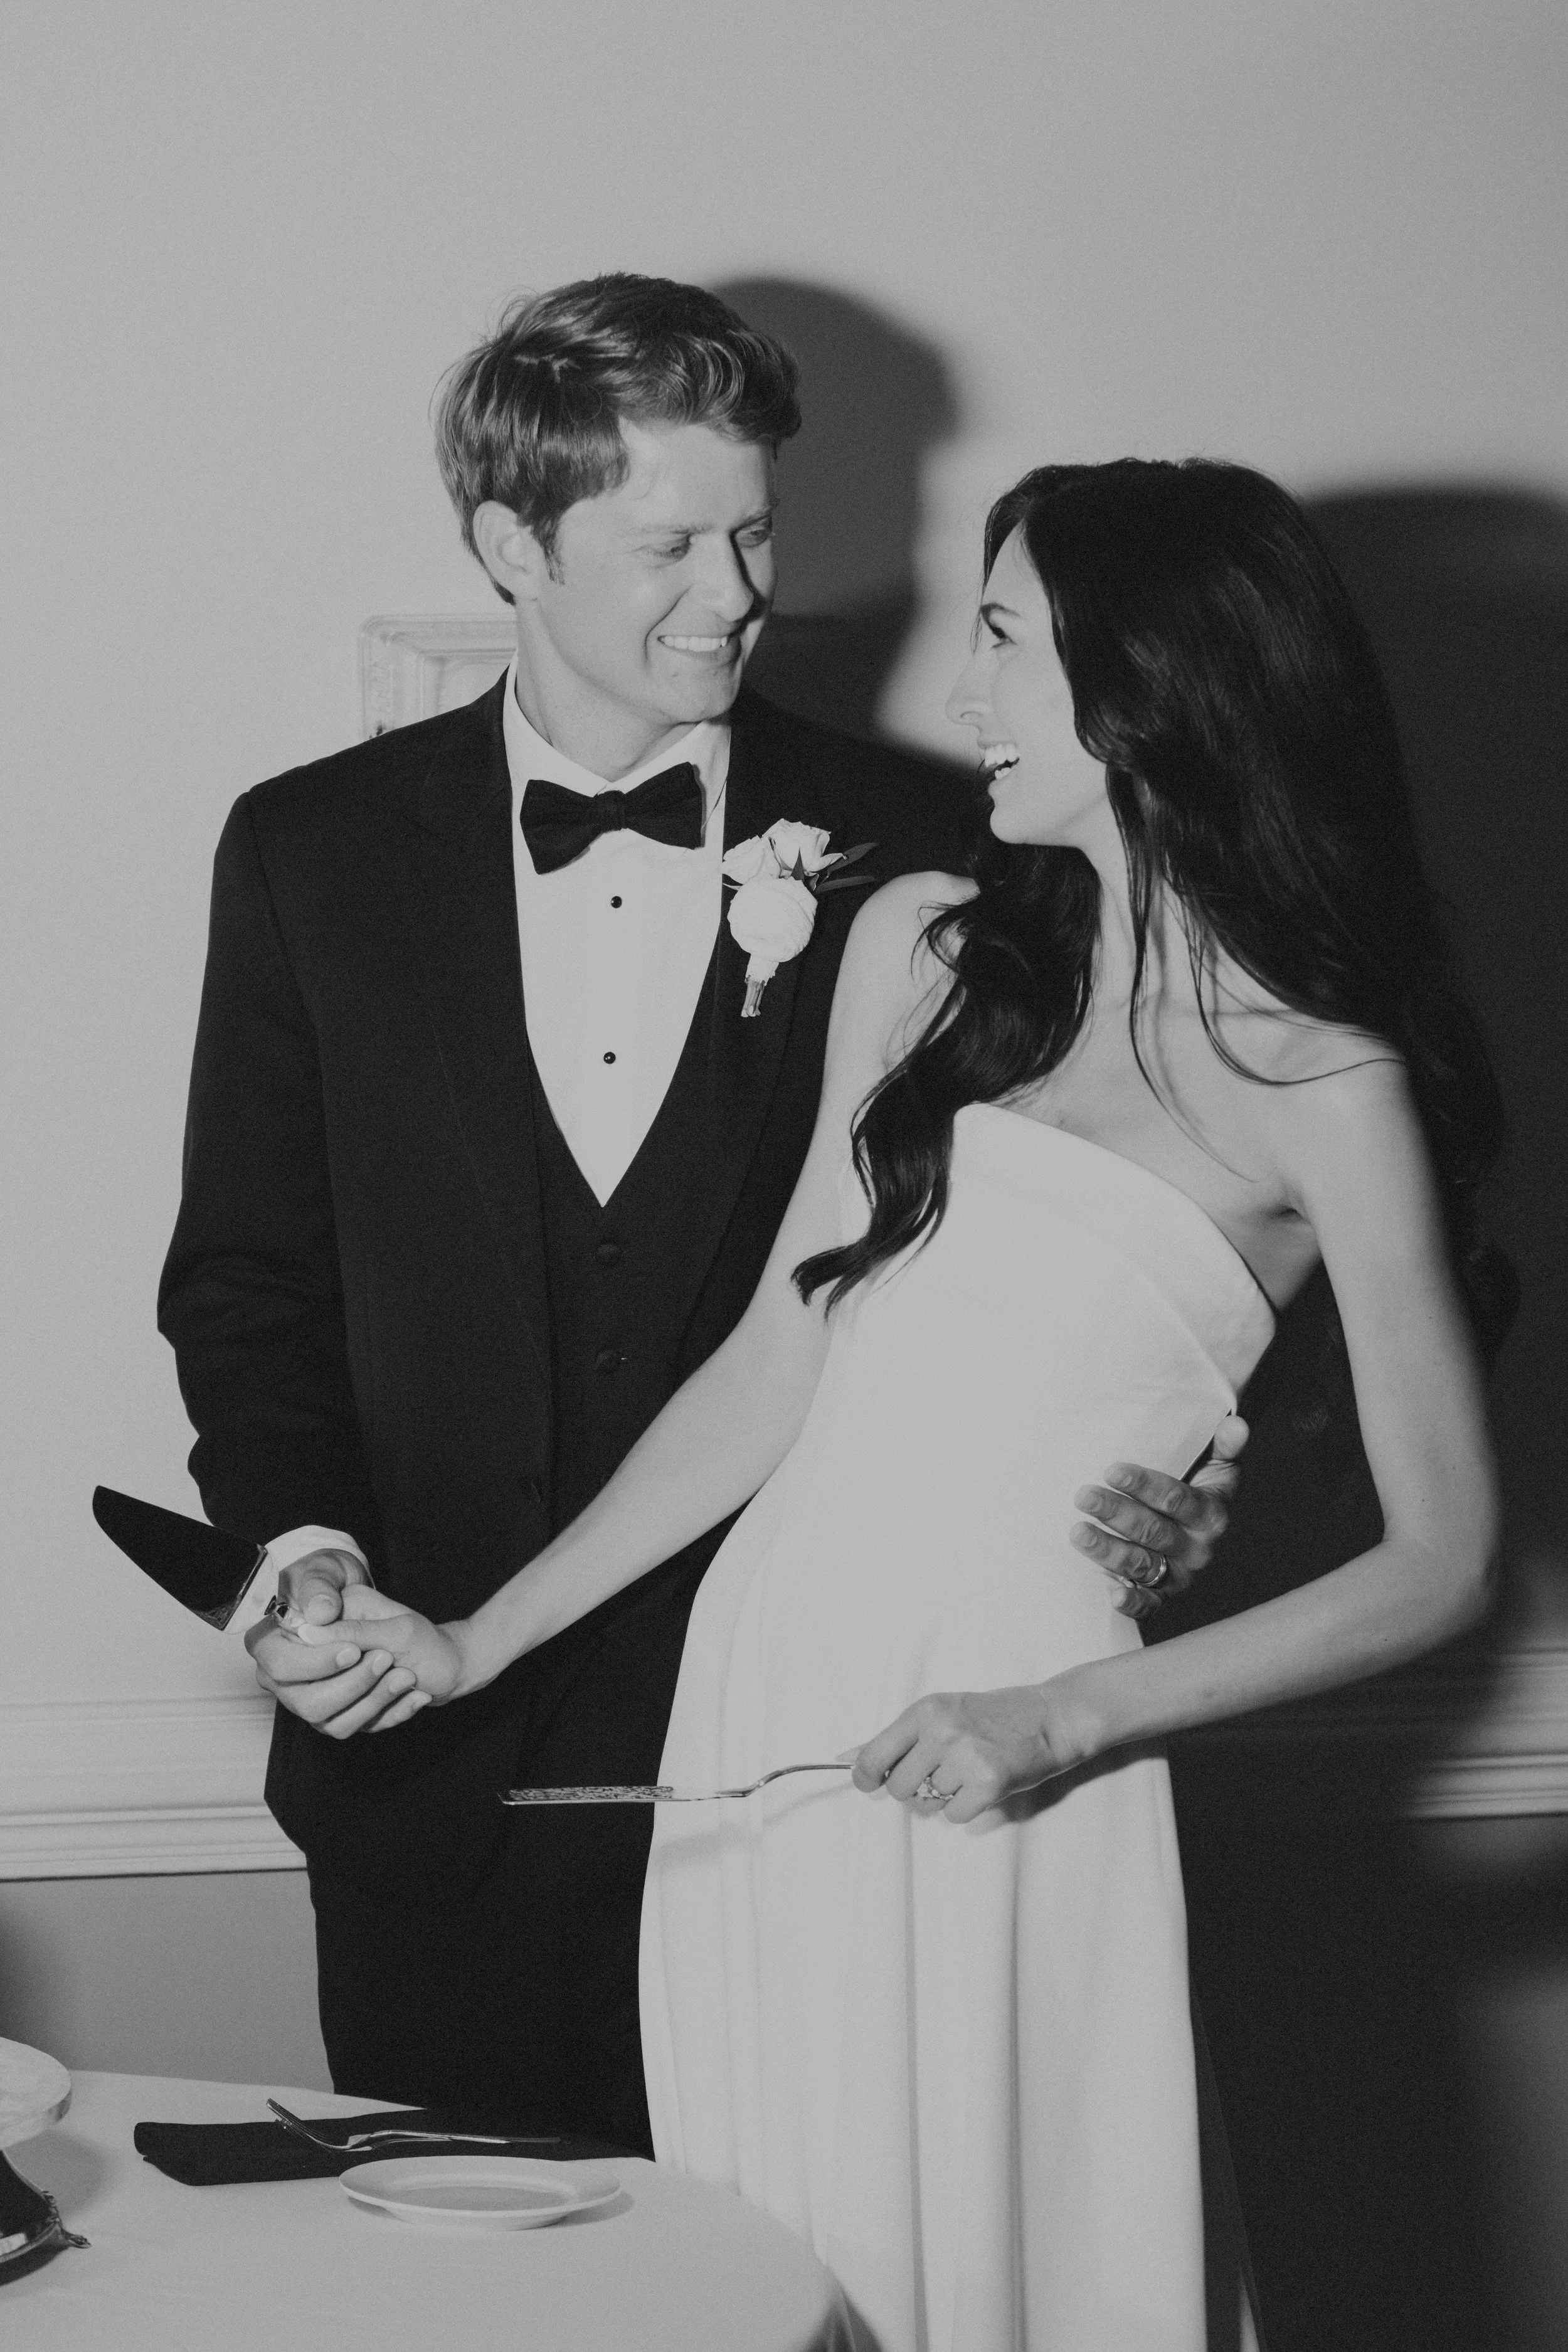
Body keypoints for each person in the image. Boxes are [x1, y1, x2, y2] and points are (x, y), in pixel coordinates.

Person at [324, 457, 1500, 2351]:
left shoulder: (1320, 1079)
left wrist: (1063, 1710)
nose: (961, 701)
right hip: (767, 1719)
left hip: (1009, 1757)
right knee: (762, 2285)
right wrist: (475, 1640)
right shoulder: (932, 951)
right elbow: (775, 1365)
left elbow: (1439, 1556)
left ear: (1147, 684)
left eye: (1005, 642)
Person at [157, 278, 1236, 2153]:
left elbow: (1185, 1193)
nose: (734, 593)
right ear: (510, 541)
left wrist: (1204, 1450)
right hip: (434, 1785)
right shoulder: (306, 851)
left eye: (753, 532)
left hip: (817, 1770)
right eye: (667, 542)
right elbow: (248, 1284)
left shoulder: (947, 845)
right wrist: (307, 1549)